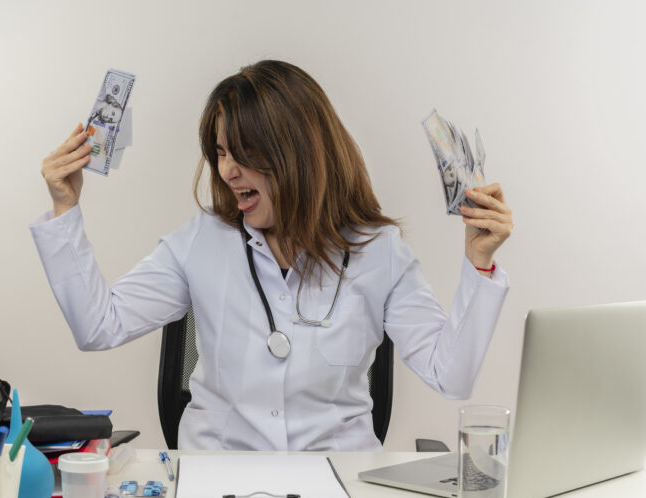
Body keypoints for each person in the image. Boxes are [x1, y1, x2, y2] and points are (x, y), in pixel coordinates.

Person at [32, 60, 512, 451]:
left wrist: (480, 265)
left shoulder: (378, 252)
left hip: (340, 487)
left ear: (297, 153)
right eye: (220, 153)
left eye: (242, 153)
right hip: (217, 484)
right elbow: (99, 327)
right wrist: (65, 208)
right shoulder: (202, 242)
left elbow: (451, 375)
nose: (227, 171)